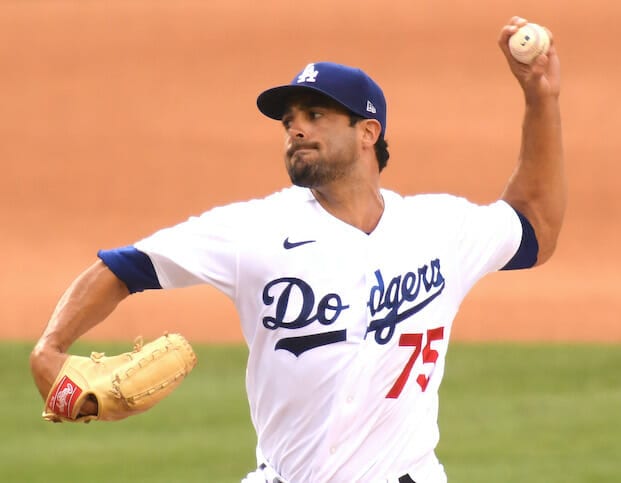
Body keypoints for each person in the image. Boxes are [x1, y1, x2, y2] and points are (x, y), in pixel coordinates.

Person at [30, 16, 565, 483]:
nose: (296, 130)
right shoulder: (254, 230)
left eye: (315, 115)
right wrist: (50, 350)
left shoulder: (437, 228)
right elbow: (124, 268)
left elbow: (534, 226)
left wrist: (541, 98)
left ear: (367, 132)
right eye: (289, 122)